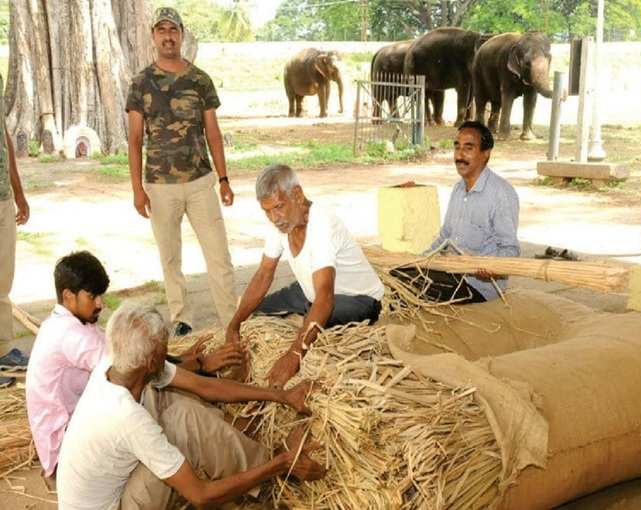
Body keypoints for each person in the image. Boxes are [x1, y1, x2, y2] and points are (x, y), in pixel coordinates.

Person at [57, 302, 325, 510]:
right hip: (114, 506)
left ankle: (250, 454)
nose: (171, 353)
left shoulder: (116, 363)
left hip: (109, 488)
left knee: (174, 404)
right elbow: (200, 496)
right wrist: (279, 464)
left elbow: (206, 387)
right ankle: (273, 471)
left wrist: (281, 395)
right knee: (181, 432)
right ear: (152, 361)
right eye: (165, 349)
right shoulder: (126, 417)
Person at [26, 251, 244, 480]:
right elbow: (134, 363)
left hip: (78, 431)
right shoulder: (71, 335)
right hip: (68, 455)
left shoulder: (71, 323)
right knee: (169, 403)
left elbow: (135, 355)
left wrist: (184, 361)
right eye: (92, 296)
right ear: (68, 296)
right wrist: (201, 364)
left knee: (166, 396)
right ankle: (235, 434)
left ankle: (231, 429)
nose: (100, 303)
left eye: (101, 295)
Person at [126, 7, 236, 337]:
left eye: (173, 29)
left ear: (182, 34)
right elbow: (134, 140)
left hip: (201, 182)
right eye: (161, 30)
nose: (168, 36)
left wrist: (224, 179)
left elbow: (213, 133)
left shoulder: (199, 79)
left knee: (219, 256)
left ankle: (231, 320)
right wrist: (137, 189)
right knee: (170, 259)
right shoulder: (141, 82)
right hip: (160, 186)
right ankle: (181, 318)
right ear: (153, 36)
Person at [226, 164, 384, 388]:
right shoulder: (279, 224)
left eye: (279, 207)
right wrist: (234, 324)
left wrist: (293, 356)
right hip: (309, 291)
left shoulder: (321, 223)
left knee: (313, 316)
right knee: (257, 311)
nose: (274, 217)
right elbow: (263, 274)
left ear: (297, 194)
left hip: (359, 300)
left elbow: (325, 298)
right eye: (267, 211)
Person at [423, 120, 520, 303]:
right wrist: (419, 261)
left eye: (468, 148)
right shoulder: (458, 189)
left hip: (478, 287)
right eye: (457, 147)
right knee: (402, 275)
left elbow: (511, 249)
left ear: (485, 154)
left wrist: (489, 264)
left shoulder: (501, 194)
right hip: (452, 275)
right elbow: (446, 237)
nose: (460, 155)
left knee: (420, 288)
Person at [0, 71, 30, 344]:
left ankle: (3, 350)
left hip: (3, 196)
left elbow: (3, 134)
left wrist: (18, 191)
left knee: (3, 277)